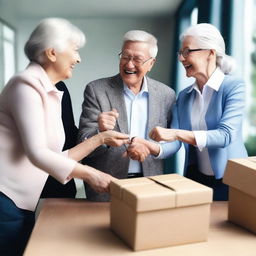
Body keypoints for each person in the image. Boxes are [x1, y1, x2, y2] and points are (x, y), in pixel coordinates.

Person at [0, 18, 129, 255]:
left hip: (22, 203)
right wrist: (91, 174)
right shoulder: (24, 86)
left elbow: (56, 157)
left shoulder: (51, 90)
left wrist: (101, 138)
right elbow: (37, 154)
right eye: (75, 50)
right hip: (5, 200)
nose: (78, 58)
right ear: (52, 53)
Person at [149, 23, 248, 201]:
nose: (181, 58)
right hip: (196, 179)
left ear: (211, 52)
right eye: (181, 53)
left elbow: (225, 136)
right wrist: (152, 148)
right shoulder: (184, 96)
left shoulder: (233, 87)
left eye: (187, 51)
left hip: (232, 181)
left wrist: (176, 134)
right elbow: (174, 142)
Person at [78, 30, 176, 202]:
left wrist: (151, 147)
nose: (129, 65)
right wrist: (100, 132)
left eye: (137, 59)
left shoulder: (166, 95)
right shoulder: (96, 90)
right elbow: (81, 142)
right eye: (125, 56)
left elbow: (173, 142)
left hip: (150, 185)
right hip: (106, 185)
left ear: (151, 63)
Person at [40, 81, 78, 198]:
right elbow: (36, 151)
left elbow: (69, 132)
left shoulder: (60, 87)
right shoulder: (29, 88)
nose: (77, 61)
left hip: (61, 186)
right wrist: (89, 174)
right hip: (29, 189)